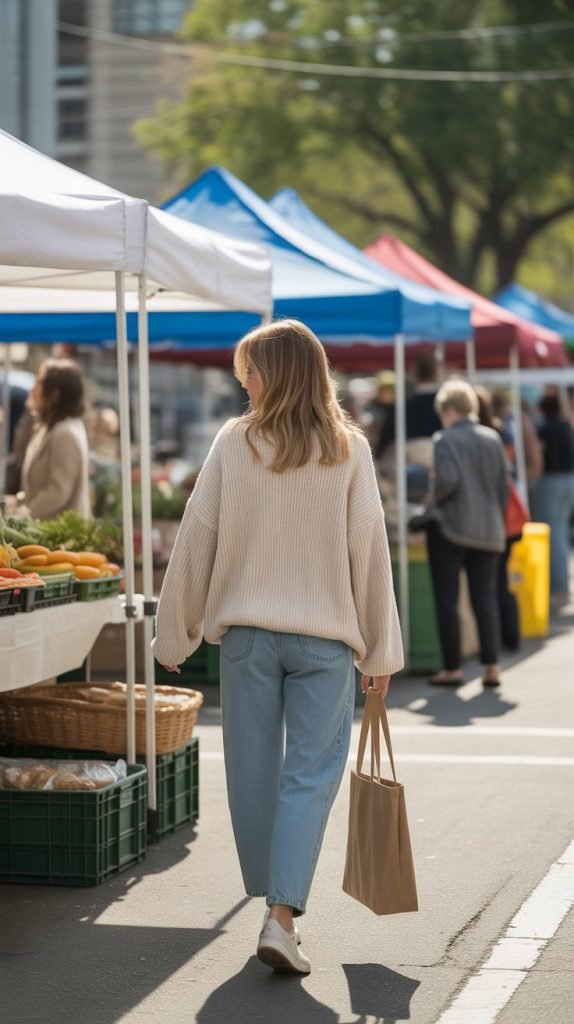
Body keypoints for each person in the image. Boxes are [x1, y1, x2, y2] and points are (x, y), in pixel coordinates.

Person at [152, 319, 403, 975]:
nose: (245, 387)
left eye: (251, 374)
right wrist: (380, 653)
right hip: (325, 643)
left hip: (248, 641)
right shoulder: (348, 450)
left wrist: (172, 631)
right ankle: (280, 915)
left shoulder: (235, 444)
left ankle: (274, 909)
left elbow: (195, 539)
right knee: (308, 780)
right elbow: (369, 556)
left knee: (253, 775)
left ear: (280, 375)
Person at [425, 379, 508, 688]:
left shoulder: (444, 439)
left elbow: (447, 480)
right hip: (489, 528)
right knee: (484, 597)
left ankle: (453, 668)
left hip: (454, 527)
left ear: (448, 410)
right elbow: (503, 487)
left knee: (447, 598)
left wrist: (433, 498)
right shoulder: (493, 438)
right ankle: (492, 666)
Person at [475, 386, 521, 651]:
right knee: (501, 580)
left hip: (490, 518)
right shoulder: (498, 433)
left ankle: (498, 642)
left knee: (487, 586)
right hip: (504, 516)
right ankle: (511, 637)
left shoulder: (483, 437)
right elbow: (508, 470)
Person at [20, 358, 90, 519]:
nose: (33, 388)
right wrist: (19, 500)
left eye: (39, 383)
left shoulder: (65, 433)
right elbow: (38, 484)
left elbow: (58, 491)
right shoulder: (51, 428)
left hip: (59, 537)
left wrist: (24, 514)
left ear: (55, 394)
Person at [532, 394, 574, 601]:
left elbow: (539, 457)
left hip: (552, 481)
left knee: (554, 534)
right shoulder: (565, 426)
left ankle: (559, 586)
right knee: (561, 531)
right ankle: (562, 581)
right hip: (569, 480)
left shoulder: (544, 429)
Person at [375, 351, 442, 459]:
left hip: (408, 461)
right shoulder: (446, 406)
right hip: (439, 458)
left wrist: (379, 454)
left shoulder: (401, 406)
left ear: (415, 372)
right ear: (436, 372)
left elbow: (386, 435)